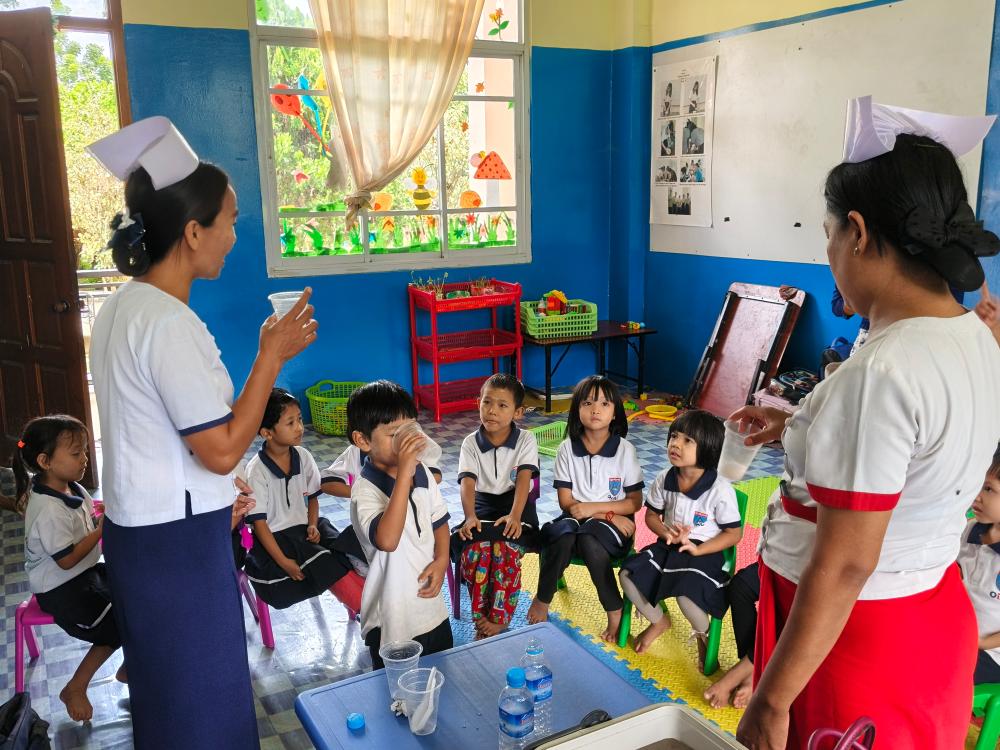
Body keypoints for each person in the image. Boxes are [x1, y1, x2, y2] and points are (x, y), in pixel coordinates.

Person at [732, 97, 1000, 749]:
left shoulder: (880, 373)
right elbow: (914, 450)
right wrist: (799, 426)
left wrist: (771, 702)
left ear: (856, 230)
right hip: (930, 614)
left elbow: (848, 563)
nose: (829, 253)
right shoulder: (971, 336)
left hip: (853, 637)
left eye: (826, 235)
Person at [88, 117, 316, 748]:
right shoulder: (166, 324)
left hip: (146, 535)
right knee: (203, 704)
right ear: (193, 232)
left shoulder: (122, 307)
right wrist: (271, 357)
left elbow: (164, 440)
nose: (234, 237)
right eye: (231, 221)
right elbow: (217, 449)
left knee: (167, 694)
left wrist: (220, 495)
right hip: (176, 550)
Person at [14, 415, 124, 722]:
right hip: (63, 589)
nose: (85, 459)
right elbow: (67, 559)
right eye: (76, 454)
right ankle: (76, 686)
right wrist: (101, 530)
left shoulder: (71, 486)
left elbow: (86, 515)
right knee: (118, 622)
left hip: (85, 575)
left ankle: (131, 666)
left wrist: (101, 513)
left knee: (135, 597)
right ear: (45, 461)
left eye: (85, 451)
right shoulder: (48, 509)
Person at [527, 375, 644, 642]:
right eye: (588, 402)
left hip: (611, 527)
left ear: (615, 412)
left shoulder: (625, 450)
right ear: (576, 409)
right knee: (563, 533)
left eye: (604, 403)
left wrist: (600, 513)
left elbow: (634, 502)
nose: (595, 410)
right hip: (575, 519)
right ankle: (543, 598)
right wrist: (594, 511)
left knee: (590, 539)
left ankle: (614, 609)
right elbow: (566, 503)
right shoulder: (567, 449)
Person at [619, 410, 742, 663]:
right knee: (628, 575)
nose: (675, 444)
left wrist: (699, 549)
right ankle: (659, 621)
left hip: (704, 552)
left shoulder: (720, 489)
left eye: (687, 440)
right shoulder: (665, 478)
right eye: (674, 436)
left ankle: (703, 636)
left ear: (707, 448)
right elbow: (651, 516)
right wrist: (665, 532)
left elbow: (734, 533)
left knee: (687, 594)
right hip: (669, 547)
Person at [347, 381, 453, 669]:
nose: (407, 442)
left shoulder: (422, 473)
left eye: (411, 431)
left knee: (439, 679)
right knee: (396, 696)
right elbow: (387, 540)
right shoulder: (364, 491)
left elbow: (439, 520)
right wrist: (405, 472)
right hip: (391, 618)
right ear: (363, 440)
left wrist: (442, 559)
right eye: (395, 435)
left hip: (430, 609)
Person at [243, 388, 364, 612]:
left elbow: (314, 498)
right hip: (274, 537)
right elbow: (259, 525)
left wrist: (311, 523)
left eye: (299, 419)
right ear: (267, 433)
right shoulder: (256, 471)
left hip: (302, 528)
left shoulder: (303, 456)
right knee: (321, 559)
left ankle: (369, 600)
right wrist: (283, 562)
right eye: (290, 423)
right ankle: (367, 609)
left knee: (344, 544)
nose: (299, 427)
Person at [454, 374, 540, 638]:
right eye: (487, 402)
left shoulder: (526, 440)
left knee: (504, 550)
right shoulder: (470, 442)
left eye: (503, 405)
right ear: (478, 402)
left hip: (517, 507)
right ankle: (481, 618)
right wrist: (469, 517)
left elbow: (524, 481)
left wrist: (515, 516)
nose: (492, 410)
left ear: (518, 412)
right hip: (481, 508)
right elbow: (467, 484)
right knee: (475, 551)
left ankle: (500, 618)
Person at [959, 448, 1000, 684]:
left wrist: (982, 643)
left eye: (989, 489)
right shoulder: (968, 530)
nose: (976, 496)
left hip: (991, 654)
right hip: (959, 635)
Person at [704, 562, 760, 709]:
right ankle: (751, 669)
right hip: (787, 562)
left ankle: (739, 674)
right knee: (741, 586)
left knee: (791, 617)